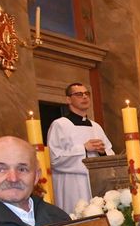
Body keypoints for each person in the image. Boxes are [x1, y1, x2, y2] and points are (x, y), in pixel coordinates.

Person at [48, 82, 114, 214]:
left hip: (97, 184)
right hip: (73, 185)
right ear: (68, 99)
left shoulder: (96, 127)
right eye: (79, 94)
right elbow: (55, 159)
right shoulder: (60, 125)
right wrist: (83, 148)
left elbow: (110, 153)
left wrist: (102, 153)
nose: (84, 97)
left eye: (87, 94)